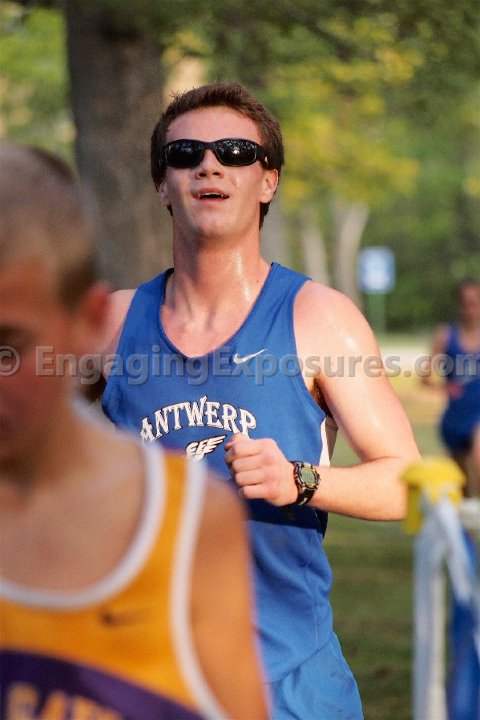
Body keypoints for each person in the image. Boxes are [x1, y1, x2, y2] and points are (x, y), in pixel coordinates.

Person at [98, 81, 421, 719]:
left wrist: (300, 479)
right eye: (185, 153)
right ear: (162, 185)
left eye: (235, 152)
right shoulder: (109, 325)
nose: (209, 165)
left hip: (287, 689)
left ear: (267, 181)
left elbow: (407, 483)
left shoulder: (320, 318)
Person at [0, 143, 269, 720]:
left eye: (8, 347)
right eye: (186, 155)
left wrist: (305, 479)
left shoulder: (188, 519)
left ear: (89, 323)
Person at [422, 279, 480, 497]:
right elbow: (425, 377)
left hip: (478, 415)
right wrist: (444, 387)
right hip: (456, 417)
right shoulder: (446, 336)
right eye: (465, 303)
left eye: (475, 303)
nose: (470, 309)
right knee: (462, 483)